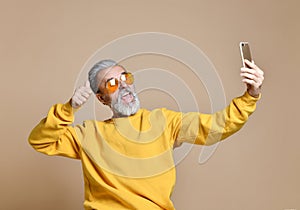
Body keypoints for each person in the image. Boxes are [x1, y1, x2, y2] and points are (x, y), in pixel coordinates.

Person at [28, 59, 264, 210]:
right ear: (101, 98)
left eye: (125, 78)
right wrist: (68, 108)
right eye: (111, 84)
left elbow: (217, 126)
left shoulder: (162, 121)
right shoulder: (89, 134)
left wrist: (250, 95)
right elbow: (40, 140)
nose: (124, 86)